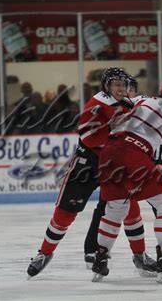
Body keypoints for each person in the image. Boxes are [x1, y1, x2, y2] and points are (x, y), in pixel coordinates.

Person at [26, 68, 155, 279]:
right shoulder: (98, 103)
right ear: (106, 86)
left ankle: (139, 256)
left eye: (124, 85)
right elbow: (87, 134)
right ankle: (44, 253)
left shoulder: (127, 103)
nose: (121, 89)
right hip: (88, 163)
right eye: (116, 84)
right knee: (65, 212)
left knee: (130, 210)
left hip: (114, 165)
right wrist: (109, 129)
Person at [91, 77, 162, 283]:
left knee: (115, 208)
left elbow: (121, 107)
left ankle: (100, 258)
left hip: (109, 150)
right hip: (134, 153)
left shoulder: (142, 100)